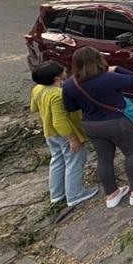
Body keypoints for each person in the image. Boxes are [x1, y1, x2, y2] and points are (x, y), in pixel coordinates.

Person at [62, 47, 133, 209]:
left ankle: (111, 195)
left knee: (104, 158)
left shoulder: (70, 84)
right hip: (117, 123)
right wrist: (116, 68)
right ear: (98, 60)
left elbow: (70, 107)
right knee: (132, 152)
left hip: (91, 125)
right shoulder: (108, 77)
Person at [30, 61, 98, 208]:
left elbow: (33, 108)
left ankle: (56, 194)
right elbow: (59, 121)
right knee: (74, 162)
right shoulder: (58, 95)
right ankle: (75, 194)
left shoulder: (38, 89)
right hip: (64, 134)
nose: (65, 70)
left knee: (57, 161)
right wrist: (72, 139)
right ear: (57, 77)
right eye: (62, 70)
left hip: (49, 133)